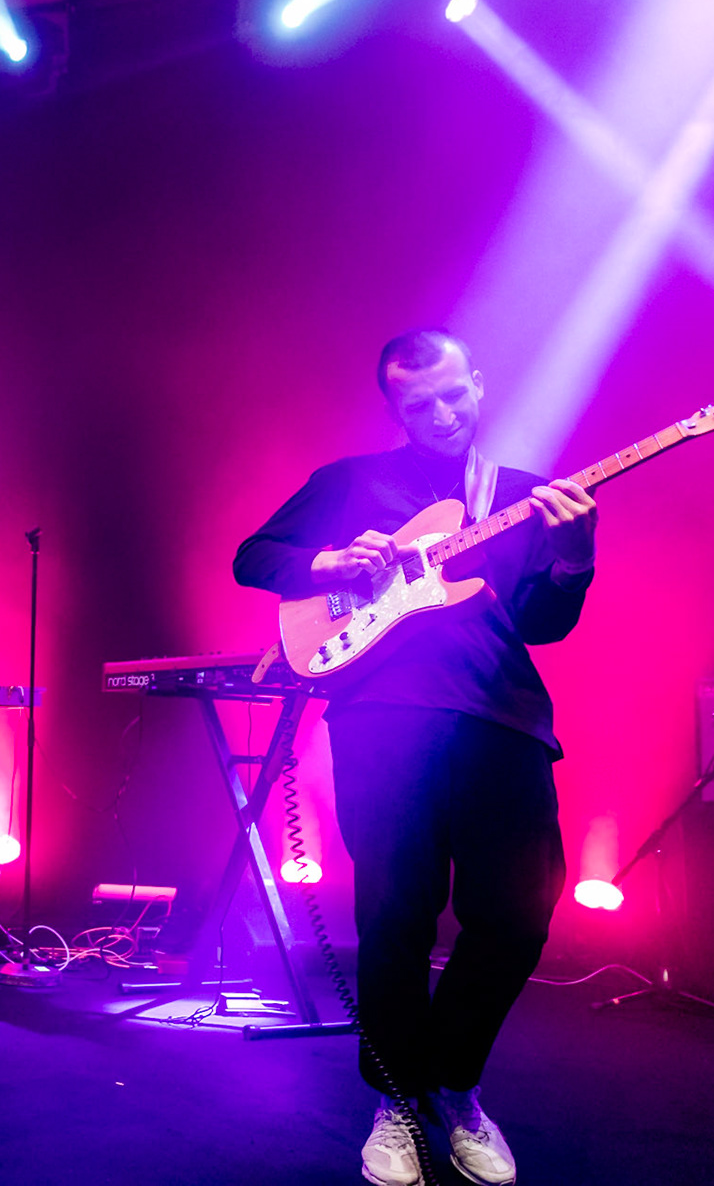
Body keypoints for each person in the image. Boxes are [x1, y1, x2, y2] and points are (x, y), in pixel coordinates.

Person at [233, 330, 597, 1186]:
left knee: (516, 916)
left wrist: (574, 557)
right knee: (394, 920)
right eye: (417, 405)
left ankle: (452, 1081)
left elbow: (544, 625)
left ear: (477, 382)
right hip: (384, 718)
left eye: (451, 395)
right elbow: (254, 557)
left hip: (502, 719)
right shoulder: (351, 482)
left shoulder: (525, 496)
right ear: (394, 410)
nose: (440, 414)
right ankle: (396, 1099)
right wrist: (329, 559)